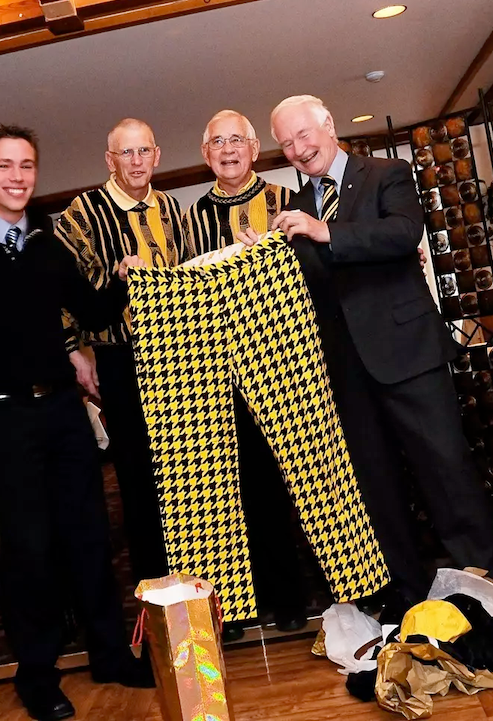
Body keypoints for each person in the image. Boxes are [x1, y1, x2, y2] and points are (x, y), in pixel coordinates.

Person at [0, 125, 152, 721]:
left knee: (90, 538)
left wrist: (122, 278)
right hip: (1, 421)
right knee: (29, 551)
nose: (17, 177)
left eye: (26, 166)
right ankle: (37, 674)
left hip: (64, 415)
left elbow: (91, 311)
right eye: (4, 166)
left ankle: (109, 655)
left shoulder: (47, 248)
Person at [262, 94, 493, 615]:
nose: (298, 149)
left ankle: (484, 584)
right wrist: (266, 260)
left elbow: (402, 233)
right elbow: (311, 284)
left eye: (303, 135)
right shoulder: (295, 209)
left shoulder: (386, 173)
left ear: (328, 125)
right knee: (375, 483)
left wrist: (326, 231)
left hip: (409, 352)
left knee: (445, 467)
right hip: (345, 368)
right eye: (286, 143)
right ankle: (405, 593)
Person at [183, 109, 307, 641]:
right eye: (217, 142)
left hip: (285, 365)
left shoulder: (288, 200)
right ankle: (234, 608)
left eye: (237, 140)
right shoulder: (189, 217)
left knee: (292, 484)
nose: (228, 149)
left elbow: (314, 273)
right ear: (206, 153)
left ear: (256, 148)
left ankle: (293, 598)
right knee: (232, 490)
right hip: (218, 373)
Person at [54, 118, 191, 587]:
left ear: (157, 155)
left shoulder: (173, 208)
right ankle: (155, 590)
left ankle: (199, 587)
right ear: (110, 160)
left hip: (183, 357)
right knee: (138, 477)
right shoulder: (82, 213)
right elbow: (60, 291)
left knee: (189, 471)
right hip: (121, 360)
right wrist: (75, 352)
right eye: (125, 153)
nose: (136, 162)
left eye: (143, 152)